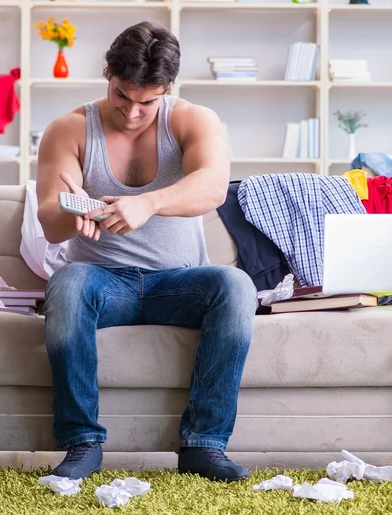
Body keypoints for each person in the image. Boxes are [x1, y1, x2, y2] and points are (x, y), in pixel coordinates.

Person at [36, 21, 258, 482]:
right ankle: (82, 442)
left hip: (178, 282)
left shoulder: (194, 119)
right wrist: (70, 209)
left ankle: (204, 445)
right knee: (68, 281)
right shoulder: (69, 129)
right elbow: (49, 224)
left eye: (147, 101)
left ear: (168, 89)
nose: (133, 112)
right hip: (102, 282)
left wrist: (148, 203)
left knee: (234, 284)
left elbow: (213, 187)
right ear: (107, 76)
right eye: (122, 96)